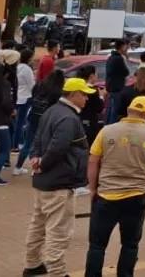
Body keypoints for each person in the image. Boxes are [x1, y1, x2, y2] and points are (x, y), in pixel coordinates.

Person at [83, 95, 145, 276]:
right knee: (130, 244)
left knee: (97, 245)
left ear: (129, 110)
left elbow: (93, 161)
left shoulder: (106, 131)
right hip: (136, 196)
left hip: (106, 194)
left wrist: (92, 188)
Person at [23, 76, 94, 277]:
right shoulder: (69, 118)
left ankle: (32, 263)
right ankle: (57, 272)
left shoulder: (51, 111)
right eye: (84, 95)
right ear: (73, 95)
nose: (87, 99)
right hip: (59, 182)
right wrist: (43, 164)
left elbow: (37, 138)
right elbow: (59, 148)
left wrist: (36, 159)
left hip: (43, 182)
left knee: (38, 224)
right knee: (59, 231)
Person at [13, 48, 37, 154]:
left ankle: (15, 142)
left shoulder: (18, 67)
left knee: (17, 122)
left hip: (18, 97)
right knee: (21, 122)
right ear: (29, 58)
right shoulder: (27, 69)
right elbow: (32, 85)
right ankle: (17, 143)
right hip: (26, 97)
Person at [105, 40, 130, 121]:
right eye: (126, 46)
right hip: (117, 88)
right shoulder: (119, 59)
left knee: (110, 111)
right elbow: (126, 72)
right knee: (115, 112)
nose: (127, 48)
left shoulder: (111, 57)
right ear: (122, 47)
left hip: (111, 88)